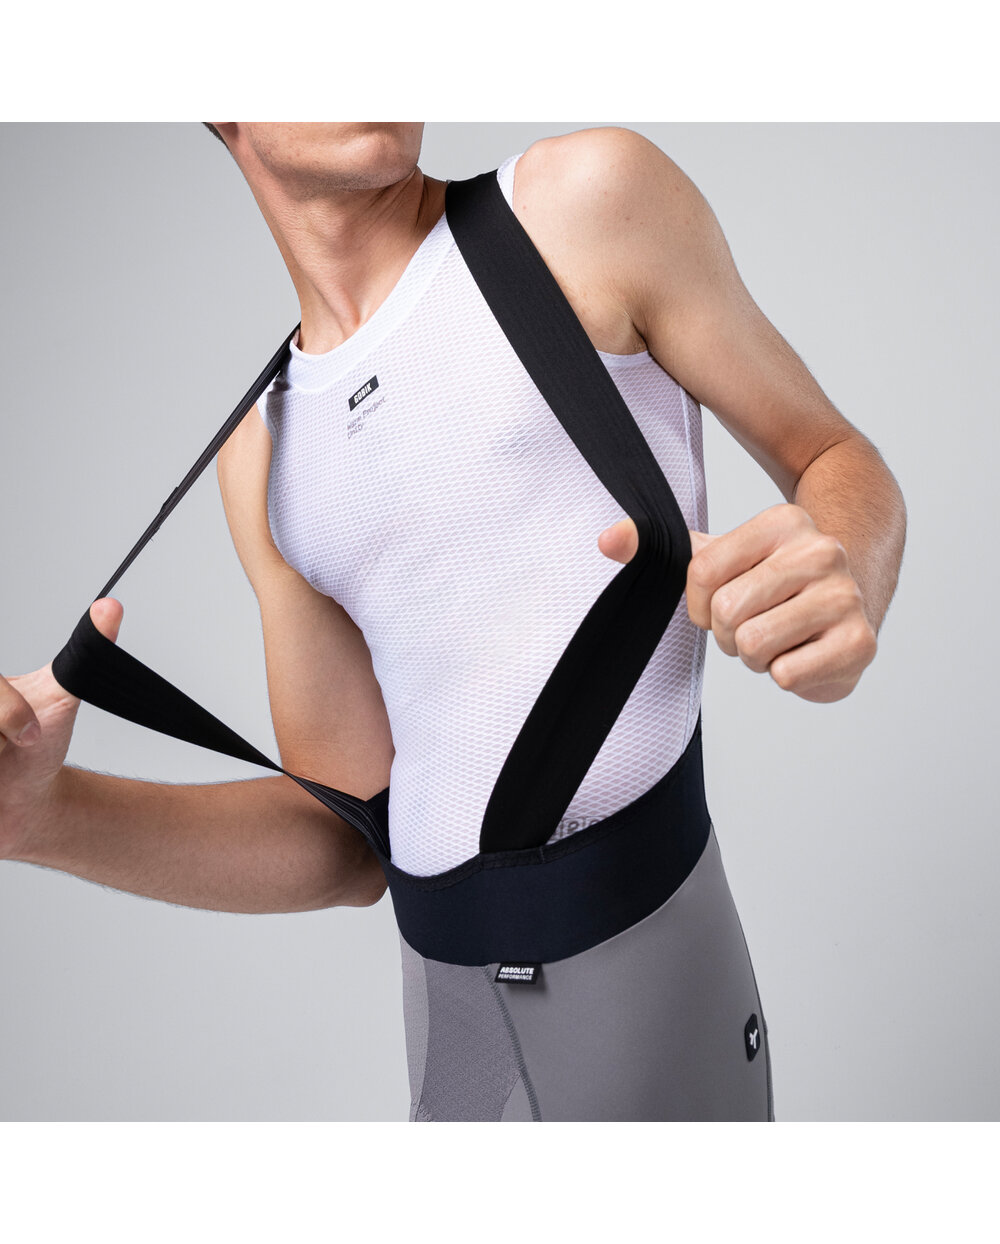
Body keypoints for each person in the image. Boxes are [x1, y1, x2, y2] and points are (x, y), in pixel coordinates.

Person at [0, 123, 906, 1120]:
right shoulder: (264, 450)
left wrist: (843, 580)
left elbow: (835, 459)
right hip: (451, 1038)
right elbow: (345, 839)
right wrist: (42, 816)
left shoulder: (582, 203)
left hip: (650, 988)